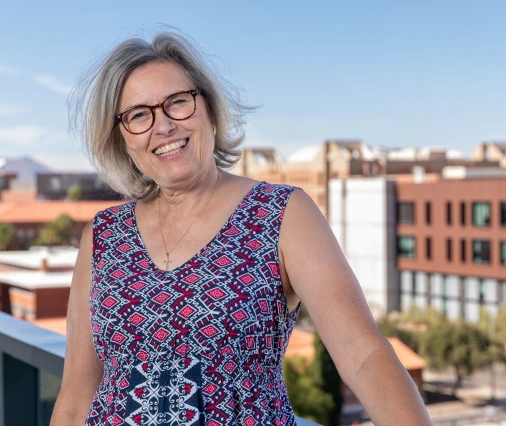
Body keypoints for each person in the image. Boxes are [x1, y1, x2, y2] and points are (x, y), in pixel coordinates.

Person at [50, 31, 432, 426]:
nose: (162, 125)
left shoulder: (282, 213)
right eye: (138, 115)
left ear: (209, 111)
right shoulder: (103, 236)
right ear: (122, 140)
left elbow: (363, 353)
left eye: (177, 102)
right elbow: (77, 395)